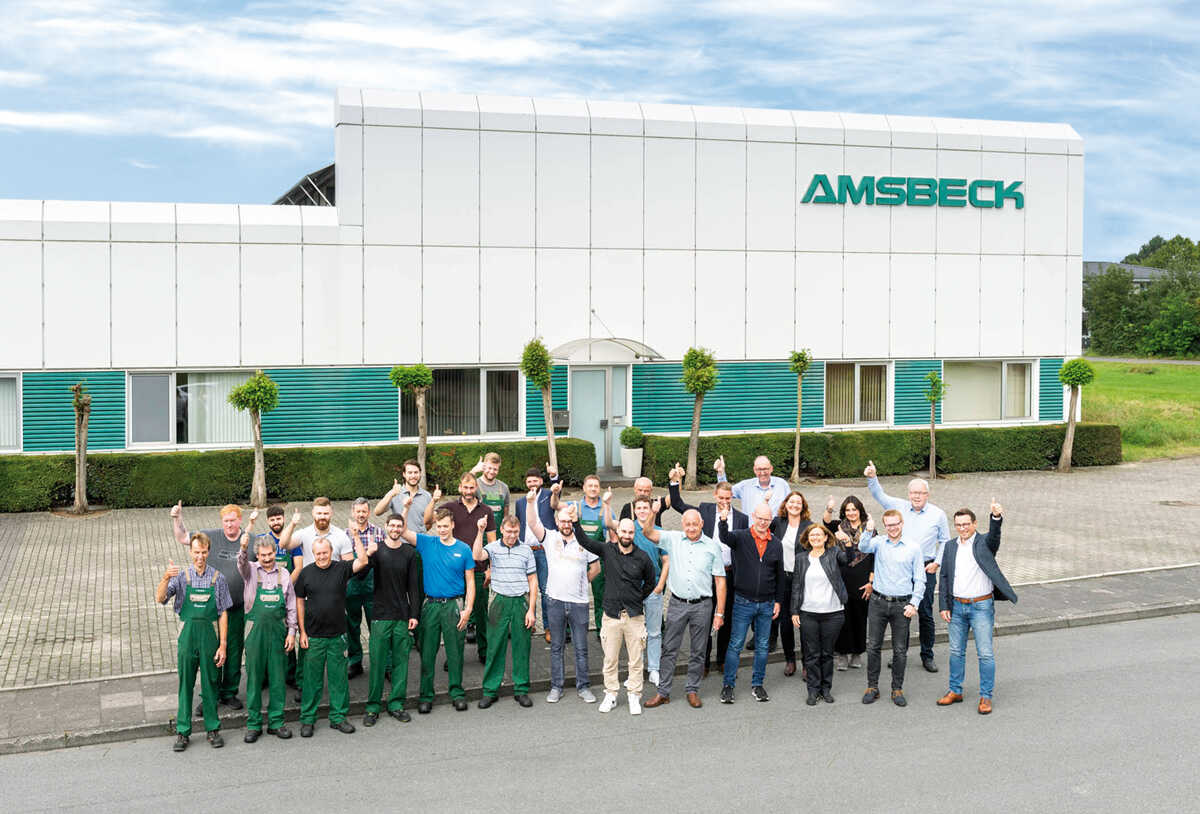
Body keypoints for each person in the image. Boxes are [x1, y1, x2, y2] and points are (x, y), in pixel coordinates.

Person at [864, 460, 951, 673]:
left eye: (920, 493)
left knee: (924, 613)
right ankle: (898, 653)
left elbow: (946, 541)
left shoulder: (937, 514)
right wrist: (872, 477)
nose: (916, 496)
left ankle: (927, 654)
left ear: (927, 495)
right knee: (900, 613)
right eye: (913, 493)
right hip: (901, 570)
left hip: (926, 568)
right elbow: (880, 496)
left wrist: (938, 562)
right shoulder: (900, 507)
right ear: (908, 494)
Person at [396, 499, 476, 714]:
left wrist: (468, 609)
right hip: (430, 606)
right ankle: (426, 695)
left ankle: (457, 693)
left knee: (455, 652)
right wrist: (405, 508)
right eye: (438, 526)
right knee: (428, 652)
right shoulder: (427, 543)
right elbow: (402, 530)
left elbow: (470, 581)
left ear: (452, 525)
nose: (442, 530)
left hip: (454, 606)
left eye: (445, 526)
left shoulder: (464, 549)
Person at [938, 500, 1016, 715]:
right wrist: (944, 605)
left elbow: (995, 536)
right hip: (956, 606)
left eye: (966, 524)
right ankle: (955, 690)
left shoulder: (984, 543)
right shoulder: (950, 546)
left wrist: (996, 517)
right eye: (958, 525)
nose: (962, 528)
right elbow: (944, 576)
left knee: (985, 654)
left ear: (974, 524)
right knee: (955, 651)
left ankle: (986, 696)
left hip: (981, 606)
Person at [642, 510, 726, 709]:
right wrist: (653, 513)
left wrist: (719, 613)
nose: (690, 528)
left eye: (694, 524)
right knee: (669, 649)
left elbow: (720, 581)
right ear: (682, 524)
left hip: (703, 605)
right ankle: (663, 692)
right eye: (687, 524)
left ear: (702, 523)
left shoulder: (712, 546)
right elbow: (647, 532)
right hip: (677, 604)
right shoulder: (673, 539)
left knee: (698, 651)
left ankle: (692, 690)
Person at [575, 511, 657, 715]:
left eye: (630, 532)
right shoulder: (607, 550)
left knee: (636, 659)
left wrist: (637, 598)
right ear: (617, 532)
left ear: (633, 534)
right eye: (624, 531)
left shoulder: (643, 557)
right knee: (610, 659)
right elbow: (585, 541)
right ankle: (611, 694)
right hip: (611, 615)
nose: (627, 535)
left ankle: (634, 695)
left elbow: (650, 582)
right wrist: (576, 522)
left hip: (635, 616)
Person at [668, 467, 748, 673]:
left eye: (728, 498)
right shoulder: (704, 510)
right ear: (715, 496)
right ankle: (703, 662)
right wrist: (675, 482)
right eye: (721, 497)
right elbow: (677, 504)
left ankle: (722, 659)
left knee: (725, 617)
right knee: (705, 618)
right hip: (705, 574)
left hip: (729, 573)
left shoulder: (741, 518)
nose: (725, 501)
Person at [156, 532, 231, 752]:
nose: (200, 556)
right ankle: (183, 731)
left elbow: (223, 613)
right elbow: (160, 599)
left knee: (210, 684)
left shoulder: (218, 578)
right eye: (196, 552)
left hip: (209, 638)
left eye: (203, 552)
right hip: (187, 638)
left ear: (209, 552)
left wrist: (223, 644)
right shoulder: (181, 577)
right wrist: (165, 578)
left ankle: (213, 728)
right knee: (185, 685)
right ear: (190, 552)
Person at [170, 502, 246, 710]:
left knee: (233, 649)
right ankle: (209, 695)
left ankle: (229, 692)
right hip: (212, 610)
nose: (229, 524)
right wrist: (177, 518)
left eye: (232, 520)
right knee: (211, 653)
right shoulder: (212, 536)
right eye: (226, 521)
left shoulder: (250, 538)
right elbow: (183, 537)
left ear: (240, 520)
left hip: (237, 608)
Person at [295, 536, 371, 736]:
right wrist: (301, 632)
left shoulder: (341, 568)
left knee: (339, 680)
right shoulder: (306, 574)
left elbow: (363, 561)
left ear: (331, 552)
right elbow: (300, 602)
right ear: (313, 553)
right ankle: (308, 719)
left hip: (338, 636)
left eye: (325, 552)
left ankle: (338, 718)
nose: (321, 556)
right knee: (312, 681)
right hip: (314, 636)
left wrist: (356, 537)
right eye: (318, 553)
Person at [280, 497, 354, 701]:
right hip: (308, 592)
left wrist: (337, 592)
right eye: (319, 513)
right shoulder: (304, 533)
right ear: (313, 514)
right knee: (307, 644)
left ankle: (335, 692)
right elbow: (284, 544)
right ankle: (304, 684)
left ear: (331, 513)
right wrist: (293, 523)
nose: (322, 516)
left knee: (335, 646)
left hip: (333, 597)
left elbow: (350, 567)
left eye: (326, 513)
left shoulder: (341, 536)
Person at [528, 501, 600, 703]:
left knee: (581, 647)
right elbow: (533, 522)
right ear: (557, 522)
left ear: (573, 521)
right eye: (562, 521)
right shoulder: (549, 538)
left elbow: (596, 569)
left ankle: (584, 687)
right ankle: (556, 687)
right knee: (557, 647)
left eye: (569, 521)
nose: (566, 524)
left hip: (579, 604)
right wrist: (530, 502)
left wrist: (581, 582)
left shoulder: (584, 541)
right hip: (555, 602)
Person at [237, 511, 297, 742]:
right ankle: (253, 723)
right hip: (254, 632)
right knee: (253, 678)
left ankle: (276, 722)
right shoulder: (250, 571)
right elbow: (240, 562)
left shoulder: (284, 574)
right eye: (262, 555)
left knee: (278, 678)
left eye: (270, 554)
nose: (267, 558)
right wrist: (244, 545)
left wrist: (292, 632)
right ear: (257, 555)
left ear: (275, 552)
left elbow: (291, 606)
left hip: (278, 632)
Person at [717, 503, 784, 704]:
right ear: (753, 516)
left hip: (766, 603)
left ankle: (758, 684)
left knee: (763, 646)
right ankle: (728, 686)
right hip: (743, 601)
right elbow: (724, 538)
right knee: (735, 644)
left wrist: (778, 601)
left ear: (770, 520)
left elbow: (780, 575)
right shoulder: (740, 536)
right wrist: (722, 521)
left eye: (767, 519)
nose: (763, 522)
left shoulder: (776, 544)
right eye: (760, 518)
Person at [857, 509, 925, 707]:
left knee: (900, 650)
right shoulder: (878, 543)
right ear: (884, 526)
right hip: (878, 602)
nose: (893, 528)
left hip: (902, 605)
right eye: (888, 525)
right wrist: (868, 530)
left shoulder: (913, 548)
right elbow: (863, 546)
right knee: (873, 647)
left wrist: (914, 603)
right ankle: (872, 687)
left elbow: (920, 579)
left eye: (896, 524)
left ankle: (897, 688)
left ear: (902, 523)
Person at [472, 514, 538, 709]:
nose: (511, 535)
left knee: (522, 646)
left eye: (515, 531)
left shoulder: (526, 550)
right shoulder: (492, 548)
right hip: (499, 600)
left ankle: (521, 690)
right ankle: (490, 691)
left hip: (520, 601)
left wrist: (532, 610)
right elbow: (476, 556)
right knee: (494, 646)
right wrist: (480, 531)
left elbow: (533, 581)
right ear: (502, 530)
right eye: (508, 531)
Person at [363, 513, 423, 726]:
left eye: (399, 526)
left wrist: (414, 614)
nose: (396, 529)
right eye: (392, 525)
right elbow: (361, 575)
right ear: (386, 527)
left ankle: (396, 704)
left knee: (400, 663)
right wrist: (368, 556)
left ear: (402, 528)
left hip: (401, 616)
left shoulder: (409, 553)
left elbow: (414, 587)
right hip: (379, 615)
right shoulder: (377, 550)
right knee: (378, 663)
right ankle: (372, 707)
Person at [431, 472, 496, 662]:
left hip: (478, 569)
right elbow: (430, 520)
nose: (468, 491)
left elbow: (491, 540)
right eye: (465, 487)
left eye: (472, 487)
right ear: (460, 487)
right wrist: (432, 501)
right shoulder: (450, 507)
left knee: (481, 613)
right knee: (454, 615)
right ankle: (453, 656)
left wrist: (491, 568)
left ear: (477, 488)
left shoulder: (486, 510)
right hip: (454, 571)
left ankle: (484, 651)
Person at [605, 493, 668, 686]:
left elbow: (666, 561)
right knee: (635, 635)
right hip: (631, 592)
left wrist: (659, 586)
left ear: (651, 510)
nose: (642, 511)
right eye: (639, 508)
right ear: (634, 510)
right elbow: (608, 523)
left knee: (655, 632)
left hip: (653, 589)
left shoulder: (658, 531)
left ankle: (654, 669)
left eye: (645, 508)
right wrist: (607, 503)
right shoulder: (628, 528)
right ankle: (636, 672)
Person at [790, 524, 848, 706]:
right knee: (812, 654)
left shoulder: (834, 553)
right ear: (808, 539)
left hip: (833, 613)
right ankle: (813, 690)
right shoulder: (800, 558)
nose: (815, 538)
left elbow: (847, 559)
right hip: (808, 613)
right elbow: (796, 586)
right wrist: (794, 611)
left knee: (827, 653)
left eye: (819, 535)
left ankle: (826, 689)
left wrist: (844, 541)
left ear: (825, 537)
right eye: (812, 535)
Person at [821, 495, 874, 671]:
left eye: (854, 509)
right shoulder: (838, 526)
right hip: (841, 579)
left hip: (862, 580)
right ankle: (842, 653)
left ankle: (857, 652)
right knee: (842, 619)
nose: (851, 513)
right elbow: (825, 522)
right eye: (848, 510)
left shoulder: (870, 529)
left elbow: (875, 556)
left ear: (860, 510)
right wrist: (829, 508)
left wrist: (871, 581)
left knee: (860, 617)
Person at [513, 464, 562, 642]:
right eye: (529, 481)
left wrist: (554, 477)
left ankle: (549, 627)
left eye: (535, 480)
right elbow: (518, 525)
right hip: (526, 551)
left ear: (541, 481)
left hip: (543, 551)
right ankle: (527, 623)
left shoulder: (548, 496)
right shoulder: (520, 502)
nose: (532, 483)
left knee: (545, 589)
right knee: (524, 589)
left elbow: (557, 494)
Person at [555, 474, 607, 636]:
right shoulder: (574, 506)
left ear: (599, 489)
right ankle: (569, 630)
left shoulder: (606, 509)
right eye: (589, 485)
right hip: (576, 557)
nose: (593, 488)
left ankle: (601, 628)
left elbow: (612, 534)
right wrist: (556, 491)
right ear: (584, 488)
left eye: (596, 486)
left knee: (601, 597)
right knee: (571, 593)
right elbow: (555, 505)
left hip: (598, 558)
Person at [256, 505, 301, 688]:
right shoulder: (261, 540)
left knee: (287, 631)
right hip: (265, 594)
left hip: (286, 593)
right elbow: (253, 567)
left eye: (279, 518)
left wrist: (284, 586)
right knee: (267, 636)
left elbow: (298, 566)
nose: (276, 522)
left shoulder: (293, 540)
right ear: (268, 521)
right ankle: (266, 674)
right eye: (272, 519)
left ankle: (290, 673)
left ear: (284, 519)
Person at [769, 491, 813, 676]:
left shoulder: (809, 526)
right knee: (785, 623)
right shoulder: (778, 522)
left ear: (802, 506)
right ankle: (790, 660)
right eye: (791, 502)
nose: (794, 505)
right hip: (782, 578)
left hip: (802, 579)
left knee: (803, 622)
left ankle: (806, 662)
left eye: (798, 503)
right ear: (785, 504)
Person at [345, 497, 384, 680]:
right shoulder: (344, 534)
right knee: (352, 626)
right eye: (357, 511)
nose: (360, 514)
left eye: (364, 511)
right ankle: (355, 661)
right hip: (351, 586)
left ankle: (382, 662)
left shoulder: (379, 533)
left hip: (372, 586)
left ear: (368, 512)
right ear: (353, 512)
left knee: (376, 625)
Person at [714, 454, 790, 514]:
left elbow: (790, 507)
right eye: (759, 469)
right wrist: (721, 473)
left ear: (771, 469)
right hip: (750, 532)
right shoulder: (745, 486)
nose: (762, 473)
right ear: (754, 470)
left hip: (776, 532)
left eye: (765, 469)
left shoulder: (782, 485)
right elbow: (725, 491)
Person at [374, 458, 434, 532]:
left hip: (419, 541)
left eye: (416, 472)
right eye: (410, 472)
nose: (413, 476)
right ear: (404, 474)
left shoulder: (427, 496)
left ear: (420, 473)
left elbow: (429, 522)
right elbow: (377, 512)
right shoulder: (395, 493)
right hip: (400, 541)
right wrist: (391, 494)